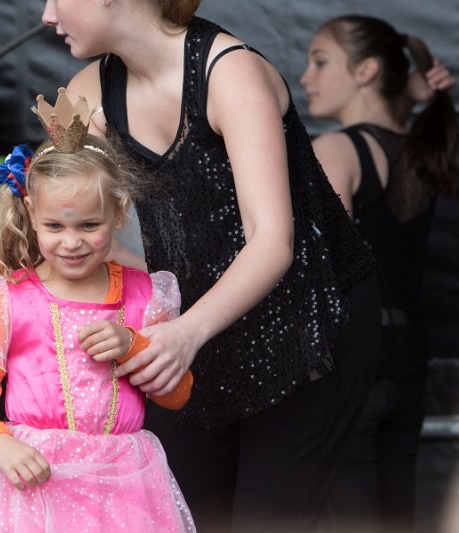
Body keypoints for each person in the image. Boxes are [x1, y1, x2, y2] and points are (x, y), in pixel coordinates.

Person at [41, 1, 387, 531]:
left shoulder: (230, 73)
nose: (46, 15)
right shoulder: (89, 90)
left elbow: (272, 242)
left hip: (311, 321)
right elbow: (51, 214)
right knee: (185, 515)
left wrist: (183, 334)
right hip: (198, 330)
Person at [0, 90, 195, 530]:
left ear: (119, 213)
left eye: (89, 225)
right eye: (54, 226)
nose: (71, 241)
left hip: (124, 488)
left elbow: (179, 395)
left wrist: (135, 348)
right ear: (30, 213)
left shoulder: (146, 295)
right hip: (34, 486)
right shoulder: (8, 298)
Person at [300, 15, 458, 531]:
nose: (305, 77)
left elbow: (317, 275)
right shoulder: (419, 150)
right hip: (411, 364)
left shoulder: (336, 151)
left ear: (366, 70)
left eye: (320, 61)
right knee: (398, 517)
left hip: (353, 365)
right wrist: (414, 93)